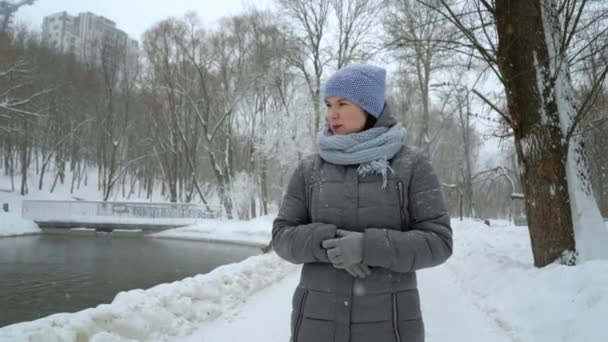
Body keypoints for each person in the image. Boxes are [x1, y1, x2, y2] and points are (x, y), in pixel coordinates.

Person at [272, 64, 453, 342]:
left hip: (389, 328)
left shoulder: (411, 165)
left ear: (370, 107)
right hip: (315, 327)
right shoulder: (310, 169)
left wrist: (367, 247)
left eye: (343, 103)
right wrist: (328, 242)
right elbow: (282, 236)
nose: (332, 113)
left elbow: (438, 242)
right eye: (329, 104)